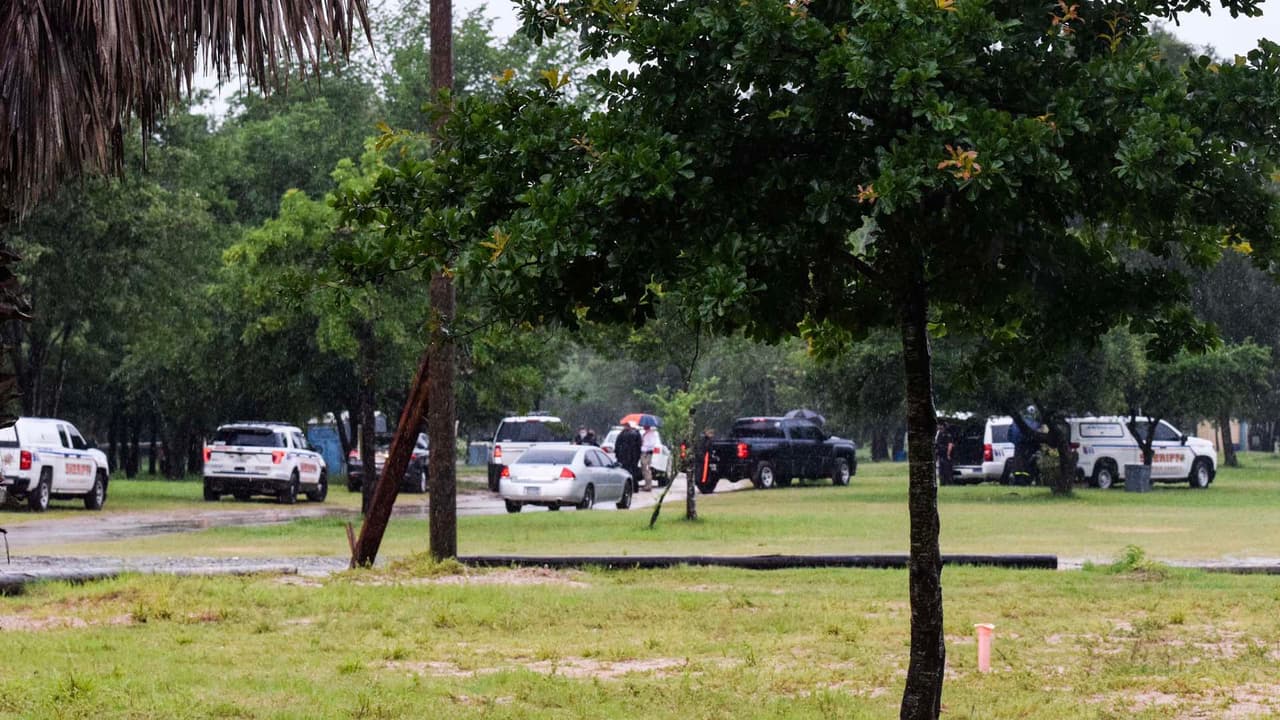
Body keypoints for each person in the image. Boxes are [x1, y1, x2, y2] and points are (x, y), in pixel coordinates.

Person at [615, 422, 642, 488]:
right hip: (633, 456)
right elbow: (639, 445)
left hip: (623, 456)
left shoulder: (621, 434)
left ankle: (626, 486)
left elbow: (617, 445)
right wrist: (638, 455)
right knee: (633, 471)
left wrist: (617, 454)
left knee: (624, 471)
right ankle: (635, 486)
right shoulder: (636, 434)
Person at [640, 421, 662, 491]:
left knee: (646, 469)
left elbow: (651, 444)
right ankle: (647, 484)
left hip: (647, 453)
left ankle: (648, 485)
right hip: (644, 452)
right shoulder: (645, 433)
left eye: (645, 425)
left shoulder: (651, 434)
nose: (644, 426)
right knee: (644, 469)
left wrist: (644, 444)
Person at [934, 421, 955, 486]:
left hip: (946, 454)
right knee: (941, 470)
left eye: (940, 426)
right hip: (941, 454)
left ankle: (949, 483)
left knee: (947, 469)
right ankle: (942, 483)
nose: (938, 427)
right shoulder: (939, 433)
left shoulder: (948, 434)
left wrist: (948, 454)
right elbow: (937, 444)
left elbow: (950, 445)